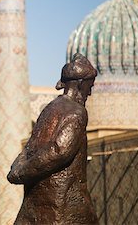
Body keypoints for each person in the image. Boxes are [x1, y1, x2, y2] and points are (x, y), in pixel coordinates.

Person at [7, 53, 98, 224]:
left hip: (36, 203)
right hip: (62, 205)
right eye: (89, 86)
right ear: (80, 84)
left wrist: (18, 168)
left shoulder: (50, 108)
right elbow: (59, 151)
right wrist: (21, 172)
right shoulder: (77, 113)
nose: (90, 92)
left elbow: (29, 147)